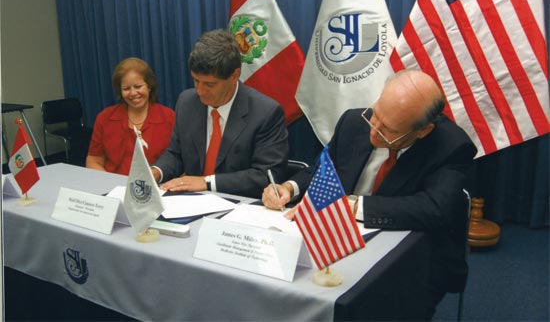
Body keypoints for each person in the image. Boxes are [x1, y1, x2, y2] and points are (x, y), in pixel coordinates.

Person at [262, 69, 477, 318]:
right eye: (375, 116)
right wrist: (290, 188)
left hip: (410, 257)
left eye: (389, 130)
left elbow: (434, 209)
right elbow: (323, 171)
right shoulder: (355, 122)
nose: (374, 131)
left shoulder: (451, 146)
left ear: (423, 130)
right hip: (339, 239)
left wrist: (351, 206)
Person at [152, 29, 288, 199]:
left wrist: (207, 182)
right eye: (196, 80)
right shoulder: (187, 102)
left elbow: (266, 176)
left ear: (234, 76)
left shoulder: (265, 113)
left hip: (238, 207)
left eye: (210, 84)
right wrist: (156, 172)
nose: (200, 91)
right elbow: (176, 154)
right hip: (190, 204)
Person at [87, 57, 175, 175]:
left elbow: (178, 161)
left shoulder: (169, 118)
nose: (133, 93)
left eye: (138, 86)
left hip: (157, 188)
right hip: (113, 187)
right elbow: (93, 161)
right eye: (126, 88)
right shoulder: (105, 118)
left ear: (149, 86)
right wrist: (108, 184)